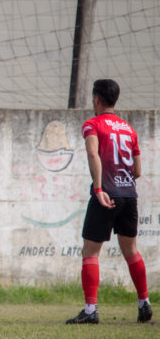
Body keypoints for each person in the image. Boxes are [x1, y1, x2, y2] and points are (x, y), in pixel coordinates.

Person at [65, 79, 152, 324]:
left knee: (90, 252)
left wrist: (100, 187)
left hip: (106, 194)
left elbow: (93, 153)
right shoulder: (129, 129)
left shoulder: (92, 125)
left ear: (96, 99)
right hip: (129, 196)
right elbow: (137, 170)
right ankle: (144, 303)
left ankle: (91, 310)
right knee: (131, 252)